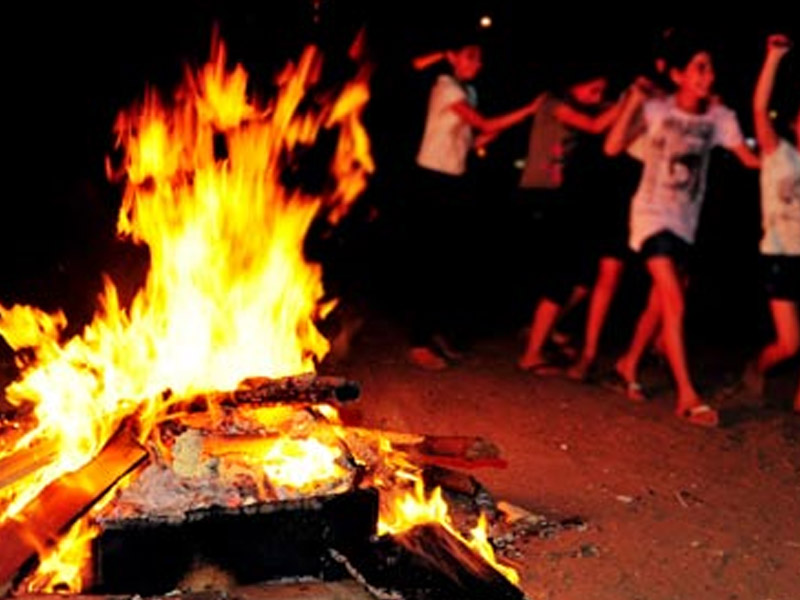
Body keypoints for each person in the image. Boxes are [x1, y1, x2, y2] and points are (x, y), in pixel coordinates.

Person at [604, 34, 760, 426]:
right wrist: (634, 102)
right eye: (698, 67)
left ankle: (627, 364)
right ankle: (687, 395)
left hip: (686, 221)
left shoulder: (720, 118)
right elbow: (612, 146)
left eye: (709, 68)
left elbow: (751, 160)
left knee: (658, 305)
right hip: (651, 216)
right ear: (677, 74)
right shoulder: (656, 109)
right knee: (675, 302)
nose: (707, 76)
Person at [408, 38, 543, 370]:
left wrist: (490, 136)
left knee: (448, 262)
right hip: (432, 180)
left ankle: (437, 335)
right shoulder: (445, 86)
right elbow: (481, 123)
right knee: (430, 262)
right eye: (471, 57)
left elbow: (473, 137)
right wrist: (527, 111)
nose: (478, 64)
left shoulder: (467, 92)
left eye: (479, 59)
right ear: (452, 58)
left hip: (453, 179)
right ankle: (419, 343)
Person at [517, 67, 623, 373]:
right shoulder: (554, 103)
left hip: (561, 198)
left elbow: (602, 111)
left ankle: (544, 329)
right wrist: (628, 101)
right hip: (541, 195)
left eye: (602, 90)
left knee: (581, 278)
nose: (598, 96)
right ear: (573, 84)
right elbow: (593, 125)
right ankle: (533, 351)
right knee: (560, 275)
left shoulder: (580, 103)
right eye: (593, 88)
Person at [741, 34, 799, 412]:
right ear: (795, 123)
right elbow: (760, 109)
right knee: (791, 343)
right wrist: (774, 58)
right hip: (781, 255)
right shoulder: (779, 153)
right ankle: (757, 367)